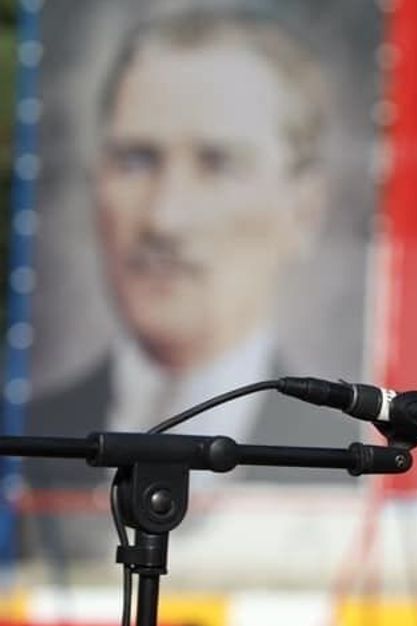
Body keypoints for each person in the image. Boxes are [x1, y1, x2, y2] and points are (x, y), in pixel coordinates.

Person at [23, 8, 359, 558]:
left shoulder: (345, 449)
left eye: (217, 164)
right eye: (136, 161)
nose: (165, 218)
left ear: (304, 207)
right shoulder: (32, 435)